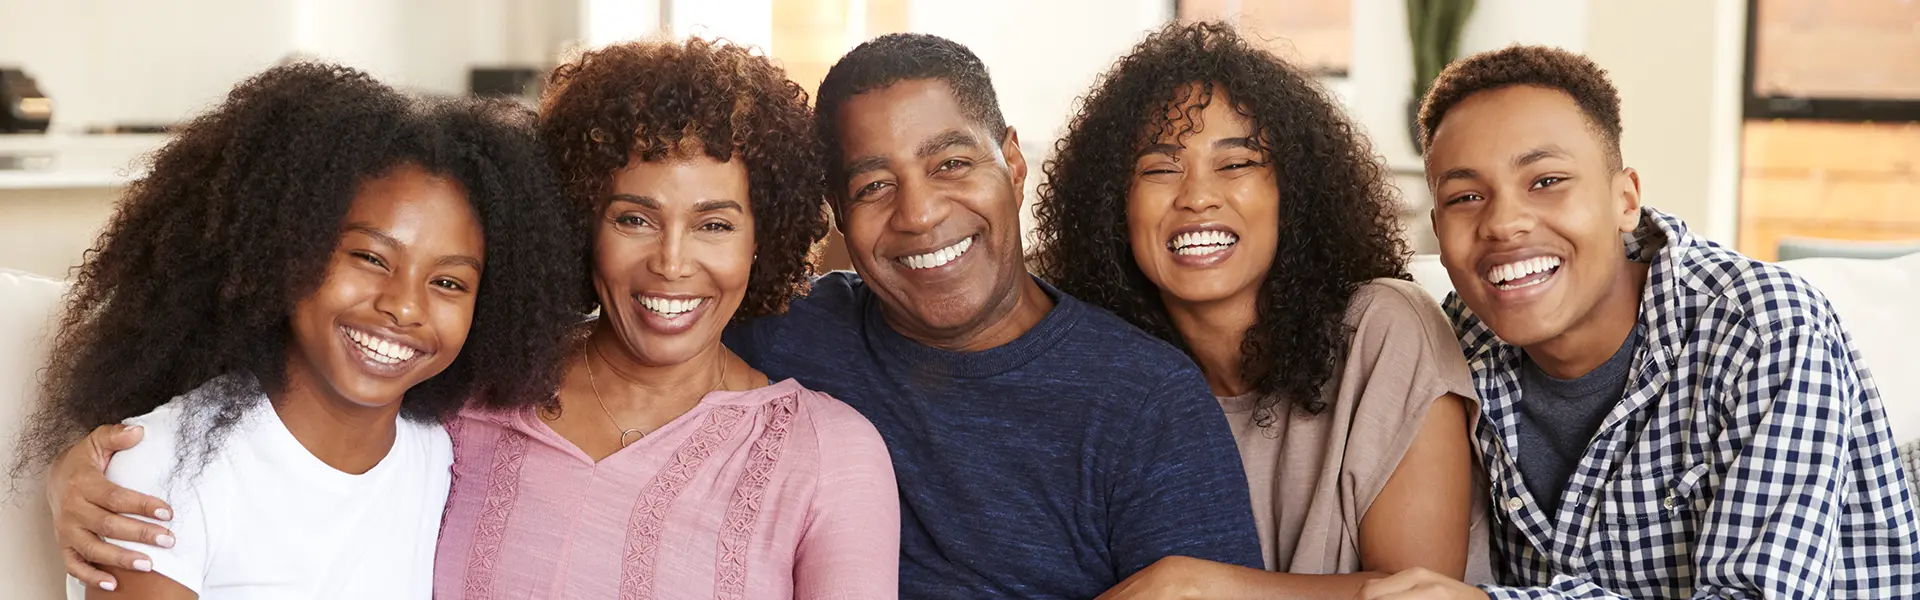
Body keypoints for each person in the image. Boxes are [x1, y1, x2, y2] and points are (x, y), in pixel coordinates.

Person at [41, 39, 902, 599]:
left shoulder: (828, 456)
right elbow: (285, 426)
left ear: (768, 237)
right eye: (632, 217)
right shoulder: (463, 396)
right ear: (577, 226)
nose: (672, 262)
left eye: (715, 223)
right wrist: (84, 463)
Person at [1360, 45, 1920, 600]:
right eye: (1466, 196)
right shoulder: (1448, 345)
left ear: (1626, 199)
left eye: (1547, 181)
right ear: (1436, 224)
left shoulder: (1765, 327)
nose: (1504, 223)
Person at [8, 63, 583, 598]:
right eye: (370, 258)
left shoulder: (438, 454)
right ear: (284, 250)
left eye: (450, 284)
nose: (405, 307)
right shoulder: (161, 469)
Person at [720, 32, 1263, 597]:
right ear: (837, 213)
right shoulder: (782, 330)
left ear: (1014, 164)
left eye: (951, 163)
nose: (920, 214)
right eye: (875, 185)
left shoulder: (1147, 401)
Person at [1032, 22, 1485, 599]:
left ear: (1291, 191)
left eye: (1237, 163)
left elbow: (1421, 595)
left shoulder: (1383, 331)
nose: (1197, 196)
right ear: (1112, 208)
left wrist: (1197, 587)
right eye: (1160, 168)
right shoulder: (1105, 377)